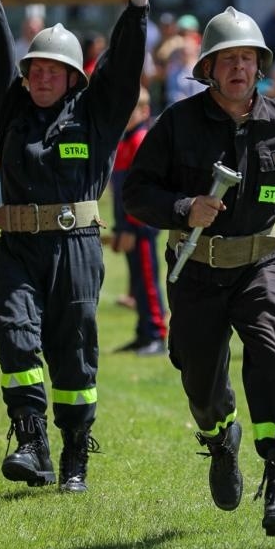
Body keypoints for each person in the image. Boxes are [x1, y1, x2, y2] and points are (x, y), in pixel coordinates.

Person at [122, 5, 275, 536]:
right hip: (196, 268)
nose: (238, 69)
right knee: (200, 378)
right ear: (208, 70)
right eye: (227, 60)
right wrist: (183, 209)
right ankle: (221, 438)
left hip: (260, 264)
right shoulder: (177, 124)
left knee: (274, 354)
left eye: (247, 59)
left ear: (260, 66)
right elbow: (136, 193)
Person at [0, 0, 159, 491]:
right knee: (13, 331)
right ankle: (31, 440)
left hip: (78, 248)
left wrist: (137, 5)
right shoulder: (13, 108)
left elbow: (125, 70)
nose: (41, 77)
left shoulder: (97, 114)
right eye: (35, 70)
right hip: (20, 247)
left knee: (74, 350)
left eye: (53, 70)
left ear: (75, 76)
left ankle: (75, 449)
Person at [110, 88, 168, 355]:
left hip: (141, 225)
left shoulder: (140, 141)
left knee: (147, 279)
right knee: (136, 283)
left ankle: (156, 332)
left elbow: (141, 190)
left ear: (144, 112)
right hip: (128, 225)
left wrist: (131, 226)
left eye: (131, 109)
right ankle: (143, 332)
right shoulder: (123, 141)